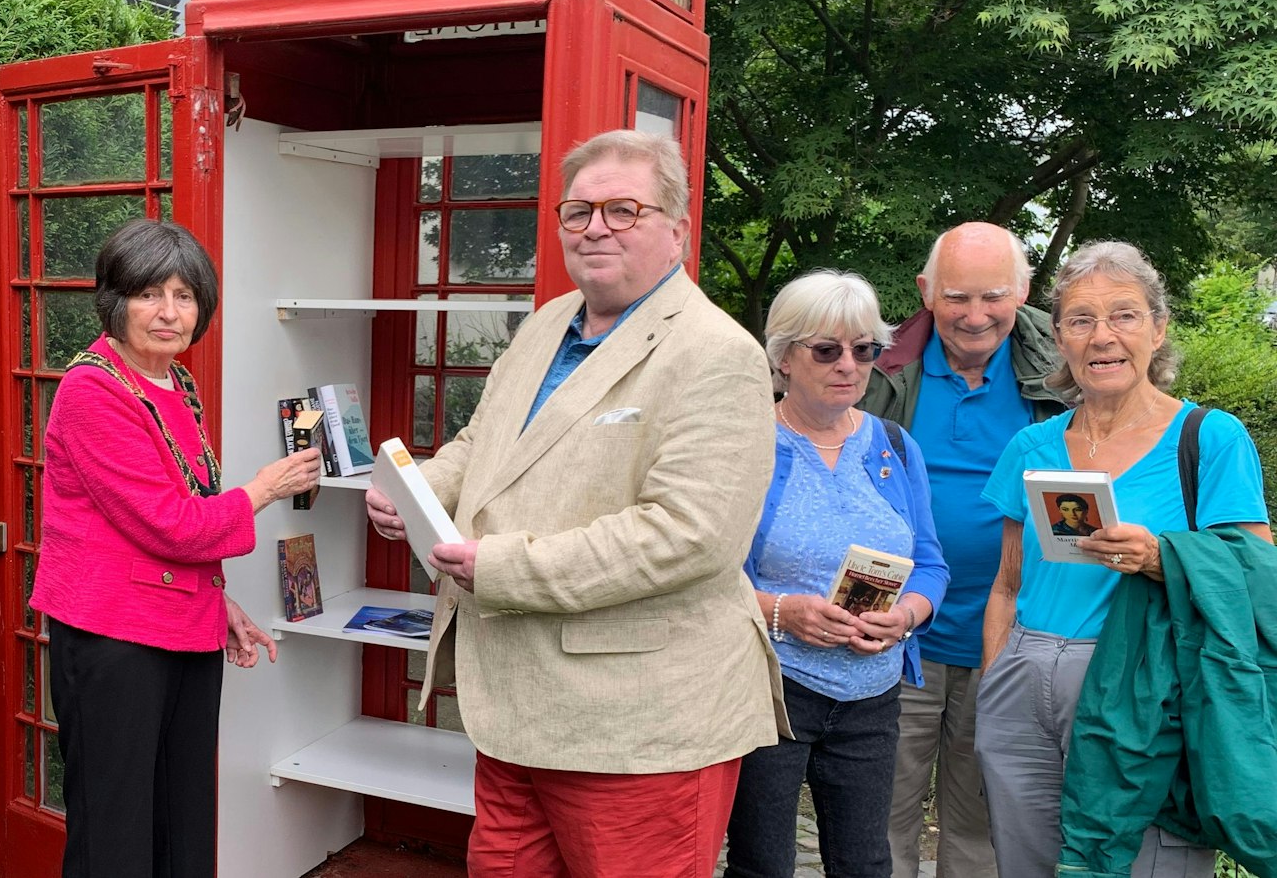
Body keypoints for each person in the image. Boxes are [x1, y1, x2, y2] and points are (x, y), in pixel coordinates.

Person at [364, 131, 784, 878]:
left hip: (637, 725)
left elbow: (689, 535)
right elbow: (484, 439)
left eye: (624, 209)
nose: (596, 226)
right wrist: (423, 489)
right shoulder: (546, 324)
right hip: (513, 708)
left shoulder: (716, 353)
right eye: (578, 209)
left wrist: (498, 567)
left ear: (678, 229)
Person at [30, 218, 322, 878]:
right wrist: (264, 489)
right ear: (116, 301)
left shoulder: (176, 384)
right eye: (149, 294)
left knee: (182, 816)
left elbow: (180, 514)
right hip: (113, 637)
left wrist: (217, 604)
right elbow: (170, 523)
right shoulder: (92, 389)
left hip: (181, 628)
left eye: (185, 295)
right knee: (116, 829)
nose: (168, 312)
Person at [975, 240, 1273, 878]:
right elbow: (1006, 583)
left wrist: (1161, 557)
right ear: (1059, 337)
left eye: (1124, 315)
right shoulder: (1031, 444)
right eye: (1081, 320)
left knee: (1143, 862)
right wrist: (994, 681)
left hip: (1144, 678)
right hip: (1024, 676)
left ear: (1158, 329)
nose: (1102, 336)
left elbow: (1256, 579)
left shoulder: (1209, 438)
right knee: (1026, 862)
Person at [724, 270, 948, 878]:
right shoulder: (745, 444)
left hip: (872, 692)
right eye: (826, 349)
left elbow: (930, 564)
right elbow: (705, 574)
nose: (848, 364)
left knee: (865, 862)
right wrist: (781, 611)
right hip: (771, 688)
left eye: (864, 350)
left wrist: (905, 617)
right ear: (784, 357)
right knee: (762, 864)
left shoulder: (896, 446)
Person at [858, 221, 1066, 878]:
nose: (974, 315)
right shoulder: (879, 365)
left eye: (992, 296)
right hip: (898, 635)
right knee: (877, 814)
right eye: (955, 297)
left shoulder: (1066, 367)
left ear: (1025, 290)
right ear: (925, 291)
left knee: (982, 824)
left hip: (1013, 636)